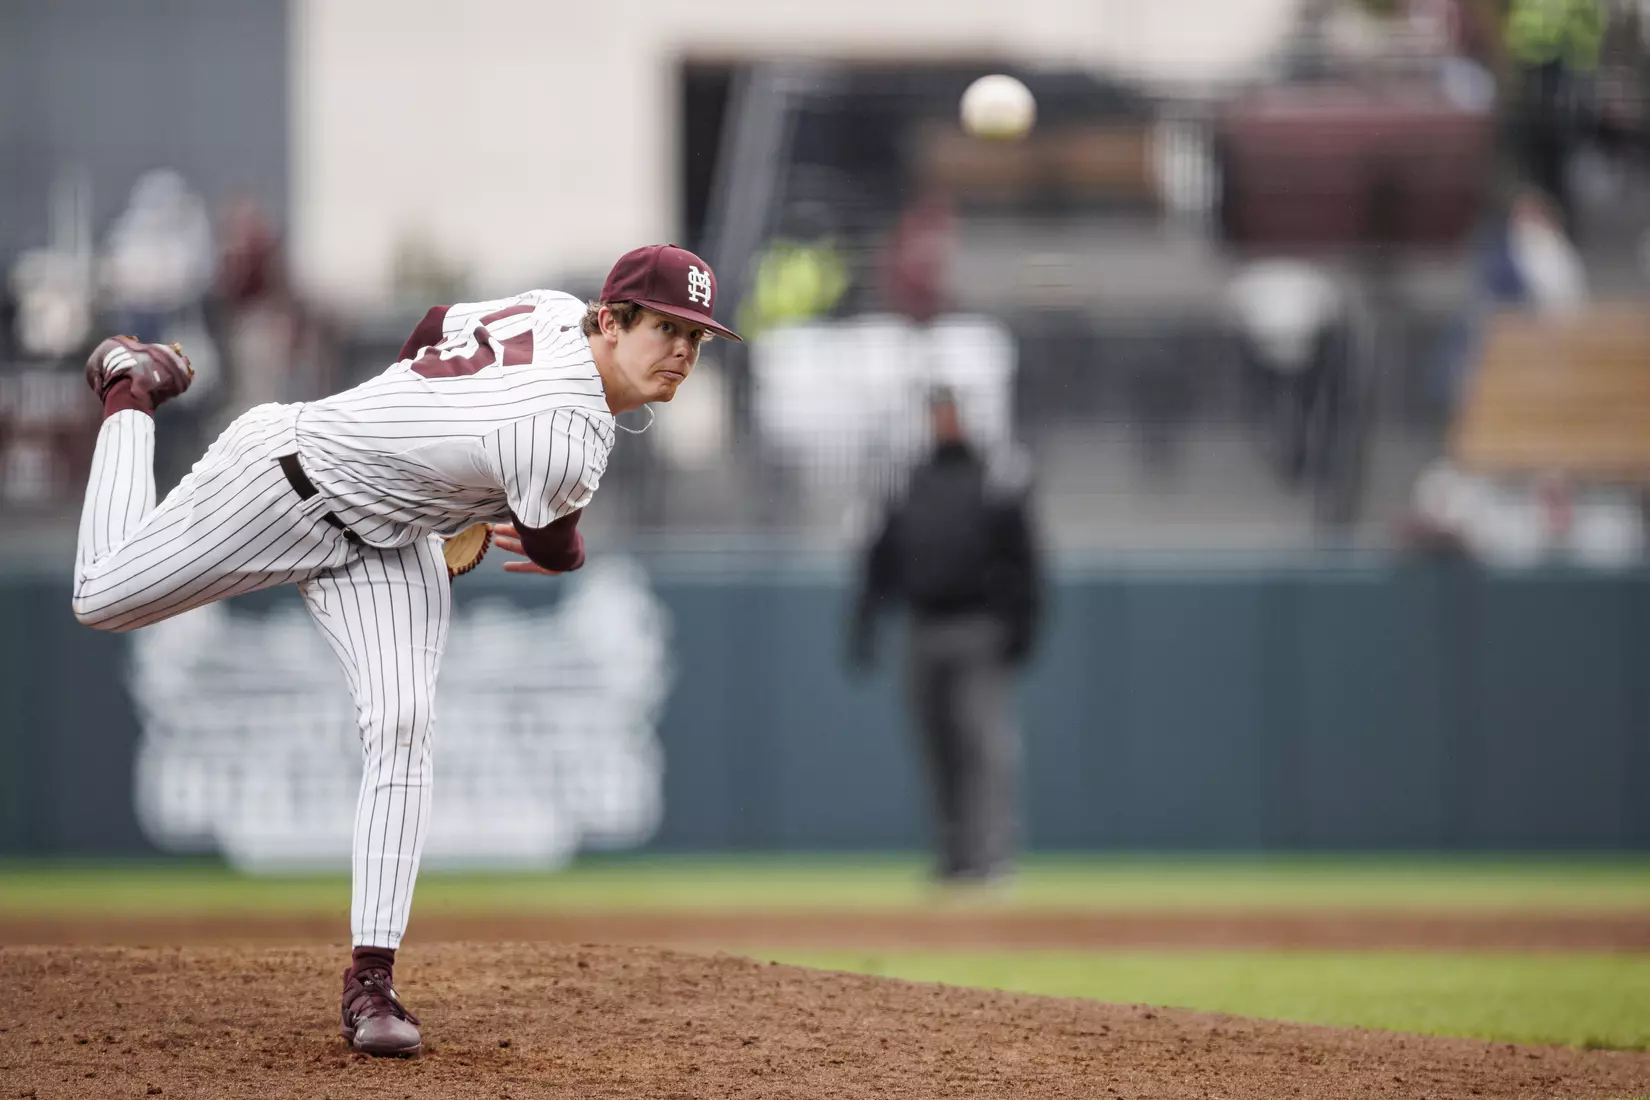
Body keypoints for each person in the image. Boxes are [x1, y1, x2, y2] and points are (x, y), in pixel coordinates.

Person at [70, 243, 739, 1056]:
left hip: (391, 539)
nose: (681, 352)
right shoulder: (568, 432)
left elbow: (429, 327)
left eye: (697, 338)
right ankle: (130, 385)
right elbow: (551, 546)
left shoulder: (548, 308)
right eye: (666, 328)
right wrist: (491, 497)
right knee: (100, 597)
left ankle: (372, 982)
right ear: (610, 321)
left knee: (404, 722)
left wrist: (428, 456)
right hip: (285, 480)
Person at [847, 386, 1042, 886]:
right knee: (938, 749)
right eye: (937, 414)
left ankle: (992, 860)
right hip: (923, 627)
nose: (944, 422)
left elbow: (1025, 563)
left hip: (978, 627)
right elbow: (881, 559)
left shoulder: (993, 479)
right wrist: (865, 624)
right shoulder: (910, 482)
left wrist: (1021, 629)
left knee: (983, 747)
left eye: (951, 414)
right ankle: (954, 859)